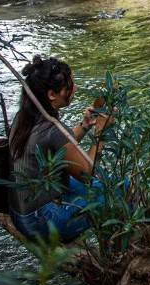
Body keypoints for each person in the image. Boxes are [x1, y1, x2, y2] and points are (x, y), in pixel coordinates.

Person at [6, 55, 107, 243]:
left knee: (105, 185)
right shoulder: (51, 129)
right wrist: (102, 133)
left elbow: (59, 147)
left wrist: (85, 125)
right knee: (115, 192)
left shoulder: (24, 117)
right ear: (52, 94)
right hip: (40, 223)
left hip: (22, 213)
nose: (75, 88)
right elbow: (88, 173)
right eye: (70, 85)